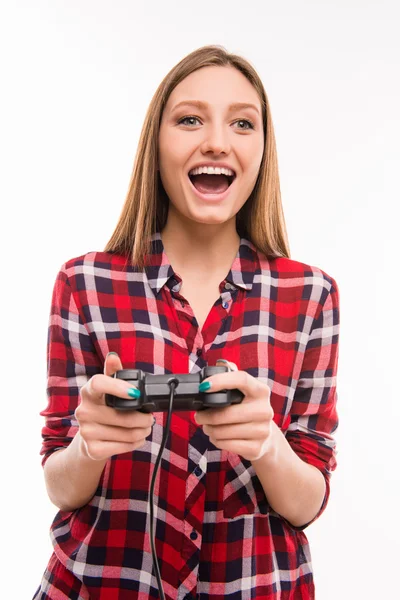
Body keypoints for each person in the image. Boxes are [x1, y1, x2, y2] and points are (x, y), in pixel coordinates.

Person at [33, 44, 340, 600]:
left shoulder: (311, 295)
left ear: (263, 151)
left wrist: (267, 444)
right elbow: (59, 481)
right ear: (157, 144)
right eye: (190, 118)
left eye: (242, 123)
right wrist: (89, 446)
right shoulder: (84, 284)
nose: (217, 141)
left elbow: (309, 499)